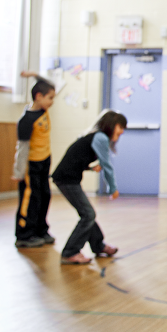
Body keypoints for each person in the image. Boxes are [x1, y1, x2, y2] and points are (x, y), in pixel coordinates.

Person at [51, 110, 127, 265]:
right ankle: (70, 252)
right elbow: (107, 165)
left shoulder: (96, 136)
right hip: (66, 179)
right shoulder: (100, 137)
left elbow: (77, 158)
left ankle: (98, 246)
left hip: (68, 177)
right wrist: (113, 188)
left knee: (87, 214)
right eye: (121, 126)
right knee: (88, 214)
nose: (122, 130)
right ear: (111, 125)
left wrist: (91, 168)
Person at [12, 71, 56, 248]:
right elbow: (22, 148)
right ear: (38, 97)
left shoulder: (44, 110)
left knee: (45, 195)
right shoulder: (26, 120)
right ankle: (24, 233)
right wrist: (19, 171)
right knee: (31, 198)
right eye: (50, 98)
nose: (52, 102)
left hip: (44, 161)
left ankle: (40, 229)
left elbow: (49, 83)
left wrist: (34, 75)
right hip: (31, 165)